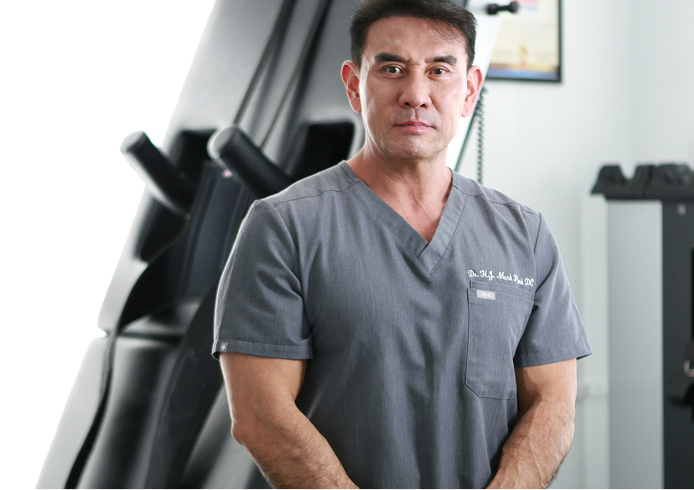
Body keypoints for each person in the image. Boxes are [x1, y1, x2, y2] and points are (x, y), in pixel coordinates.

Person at [212, 0, 591, 488]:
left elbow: (553, 404)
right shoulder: (284, 227)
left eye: (439, 71)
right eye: (392, 69)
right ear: (354, 85)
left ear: (469, 89)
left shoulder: (525, 234)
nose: (416, 95)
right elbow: (261, 415)